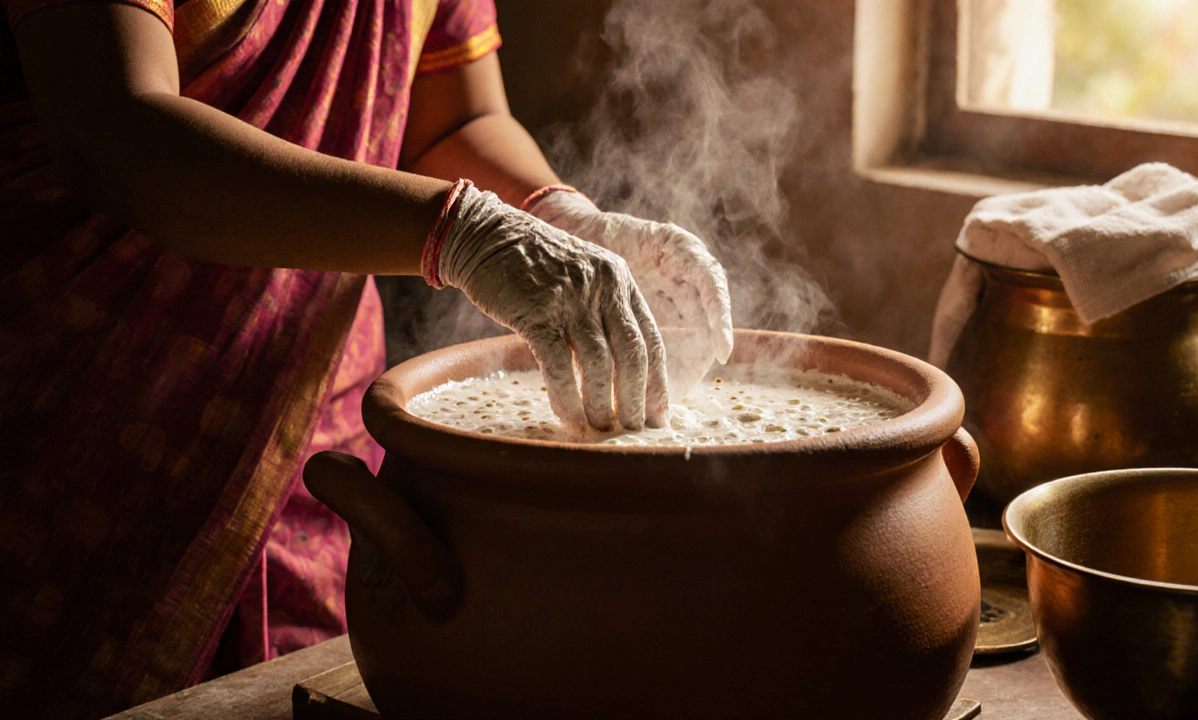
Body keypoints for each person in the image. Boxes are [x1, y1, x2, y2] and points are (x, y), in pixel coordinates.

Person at [0, 1, 732, 716]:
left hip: (315, 447)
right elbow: (112, 129)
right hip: (88, 416)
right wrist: (459, 234)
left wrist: (557, 216)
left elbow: (456, 119)